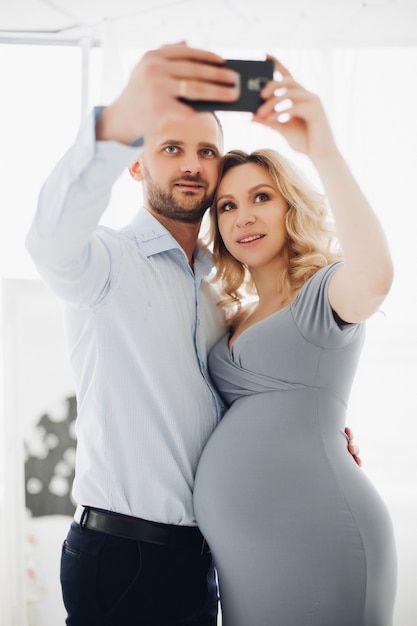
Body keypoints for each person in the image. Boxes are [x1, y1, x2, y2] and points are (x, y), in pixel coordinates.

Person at [26, 42, 361, 625]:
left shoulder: (215, 294)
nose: (191, 164)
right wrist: (117, 123)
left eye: (206, 151)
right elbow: (48, 240)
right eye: (171, 148)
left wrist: (311, 440)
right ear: (136, 163)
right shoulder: (105, 262)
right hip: (124, 554)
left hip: (204, 560)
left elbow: (234, 404)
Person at [193, 57, 397, 626]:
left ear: (290, 205)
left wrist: (323, 150)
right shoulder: (230, 316)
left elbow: (376, 279)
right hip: (243, 560)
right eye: (227, 206)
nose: (243, 217)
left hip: (320, 534)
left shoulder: (324, 291)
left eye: (261, 197)